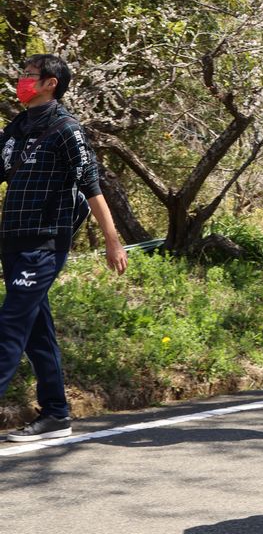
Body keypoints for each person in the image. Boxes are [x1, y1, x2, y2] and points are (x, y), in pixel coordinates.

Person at [1, 54, 128, 442]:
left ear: (50, 82)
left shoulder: (66, 129)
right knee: (37, 330)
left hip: (45, 243)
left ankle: (55, 412)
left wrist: (112, 239)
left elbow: (92, 186)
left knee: (9, 324)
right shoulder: (18, 127)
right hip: (13, 241)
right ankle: (56, 414)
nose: (22, 80)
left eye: (29, 75)